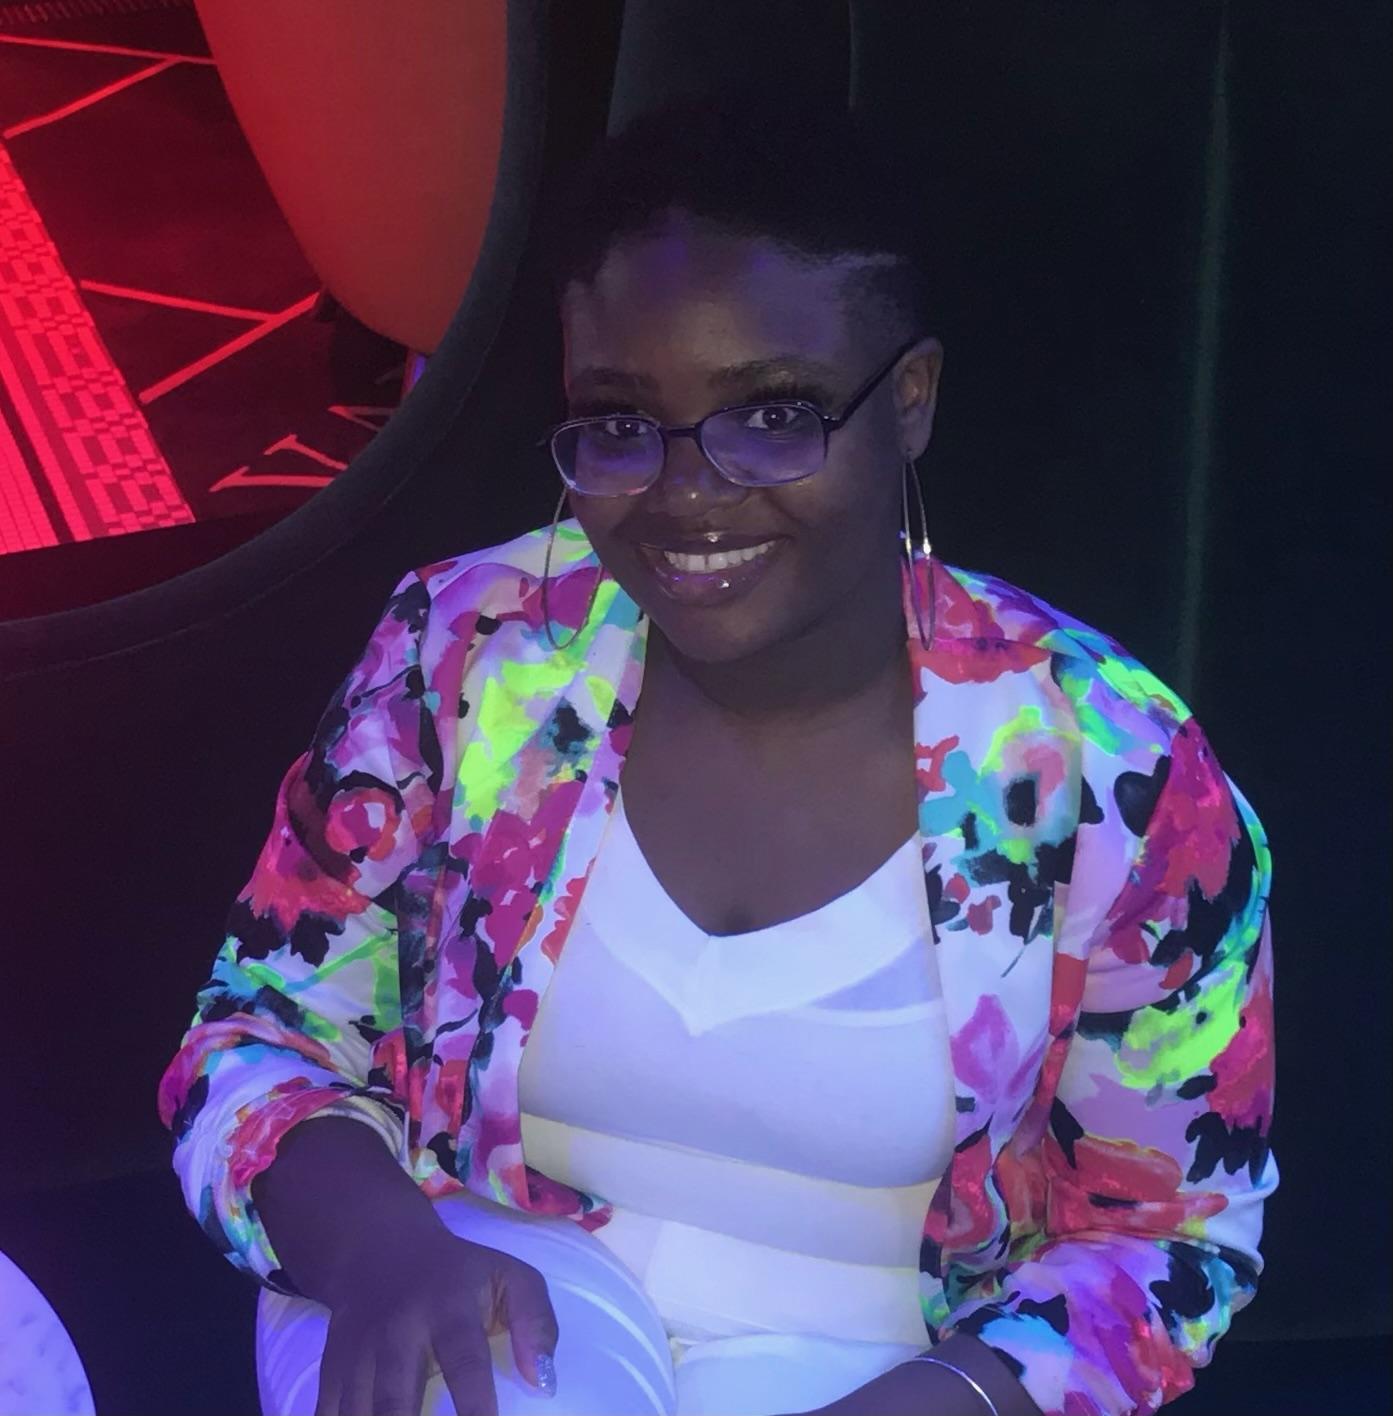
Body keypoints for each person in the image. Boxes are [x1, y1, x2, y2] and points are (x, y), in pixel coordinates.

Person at [159, 103, 1277, 1416]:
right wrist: (377, 1252)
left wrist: (952, 1400)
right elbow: (256, 1034)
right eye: (618, 423)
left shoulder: (1121, 782)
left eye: (774, 414)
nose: (687, 492)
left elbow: (1171, 1240)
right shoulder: (467, 653)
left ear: (909, 400)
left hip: (898, 1373)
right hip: (482, 1292)